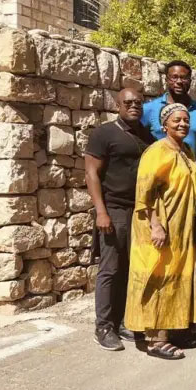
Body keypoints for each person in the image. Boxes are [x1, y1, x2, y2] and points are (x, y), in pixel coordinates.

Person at [125, 103, 196, 360]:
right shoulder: (156, 152)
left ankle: (171, 329)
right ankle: (154, 339)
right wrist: (155, 225)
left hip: (182, 227)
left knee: (175, 276)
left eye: (185, 120)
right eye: (176, 120)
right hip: (159, 225)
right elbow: (144, 194)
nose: (182, 124)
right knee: (157, 276)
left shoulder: (187, 151)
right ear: (164, 125)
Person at [85, 88, 155, 351]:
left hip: (138, 210)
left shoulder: (145, 135)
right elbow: (91, 173)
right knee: (110, 269)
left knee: (131, 267)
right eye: (128, 103)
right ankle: (103, 326)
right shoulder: (104, 133)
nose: (134, 106)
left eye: (138, 102)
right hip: (113, 208)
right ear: (118, 105)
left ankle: (124, 321)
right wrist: (101, 211)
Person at [141, 60, 196, 155]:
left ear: (190, 81)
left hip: (191, 168)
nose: (179, 81)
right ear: (166, 80)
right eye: (174, 77)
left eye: (184, 78)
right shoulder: (149, 109)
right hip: (159, 168)